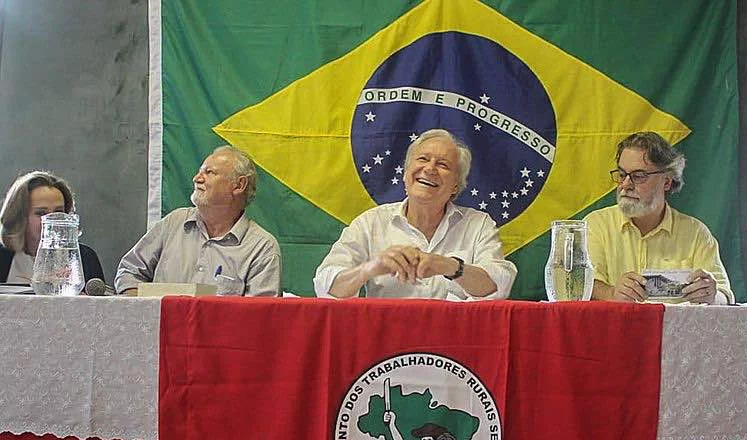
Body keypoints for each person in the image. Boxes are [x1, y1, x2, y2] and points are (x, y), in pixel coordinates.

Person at [314, 129, 517, 299]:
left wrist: (448, 266)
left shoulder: (479, 224)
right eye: (423, 159)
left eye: (443, 165)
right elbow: (325, 286)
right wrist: (371, 268)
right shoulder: (370, 223)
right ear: (405, 174)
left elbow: (498, 286)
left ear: (456, 186)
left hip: (455, 334)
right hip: (385, 333)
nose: (430, 169)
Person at [584, 131, 734, 304]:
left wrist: (712, 295)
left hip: (674, 323)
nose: (625, 185)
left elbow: (725, 296)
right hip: (615, 322)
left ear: (667, 182)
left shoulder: (695, 233)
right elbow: (582, 285)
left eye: (638, 176)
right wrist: (612, 293)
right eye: (622, 174)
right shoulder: (595, 225)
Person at [115, 146, 281, 296]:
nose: (196, 178)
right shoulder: (174, 222)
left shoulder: (262, 248)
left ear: (239, 185)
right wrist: (145, 310)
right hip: (157, 321)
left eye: (209, 172)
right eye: (200, 171)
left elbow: (259, 315)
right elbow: (128, 272)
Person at [1, 171, 104, 283]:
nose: (52, 220)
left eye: (58, 212)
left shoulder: (85, 257)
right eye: (41, 213)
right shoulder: (3, 256)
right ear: (19, 217)